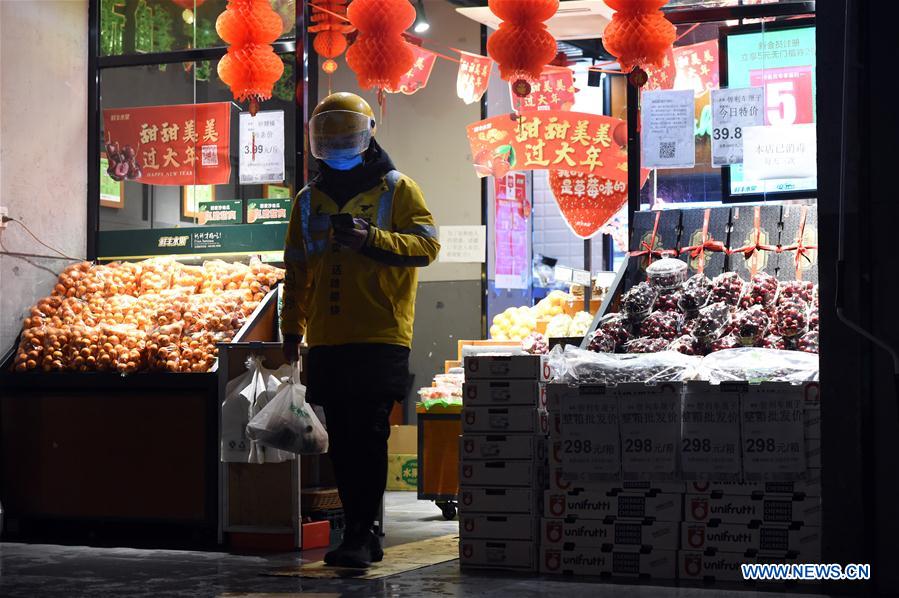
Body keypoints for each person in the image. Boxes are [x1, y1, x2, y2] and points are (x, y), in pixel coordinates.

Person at [280, 92, 440, 568]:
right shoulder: (309, 201)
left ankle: (363, 531)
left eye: (344, 132)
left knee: (368, 433)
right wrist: (293, 330)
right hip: (327, 339)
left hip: (381, 334)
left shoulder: (397, 188)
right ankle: (357, 528)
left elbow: (428, 246)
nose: (336, 141)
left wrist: (371, 239)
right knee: (343, 439)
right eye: (327, 134)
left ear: (367, 134)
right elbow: (297, 271)